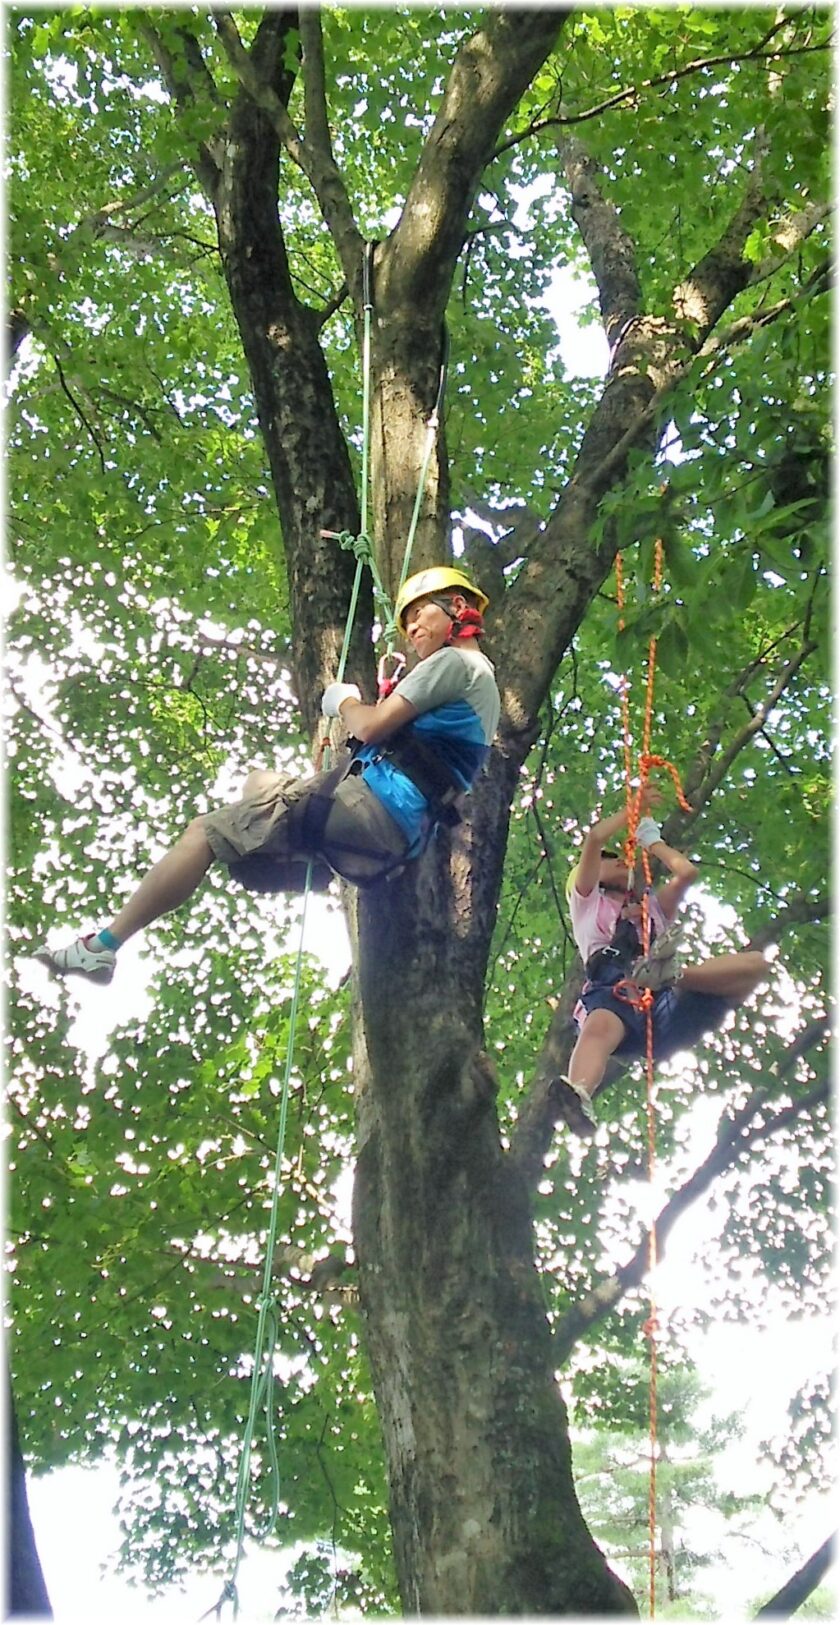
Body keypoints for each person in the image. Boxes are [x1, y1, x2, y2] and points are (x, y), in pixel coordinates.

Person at [35, 565, 501, 987]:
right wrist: (387, 694)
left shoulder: (455, 662)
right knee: (260, 784)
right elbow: (413, 748)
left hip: (370, 814)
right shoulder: (482, 689)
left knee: (205, 833)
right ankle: (301, 855)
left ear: (456, 607)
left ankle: (103, 947)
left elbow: (369, 725)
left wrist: (344, 699)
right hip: (390, 846)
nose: (413, 629)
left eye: (419, 615)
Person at [556, 786, 769, 1139]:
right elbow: (594, 840)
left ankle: (674, 975)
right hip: (615, 990)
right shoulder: (587, 906)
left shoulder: (651, 910)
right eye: (612, 860)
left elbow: (687, 874)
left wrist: (653, 842)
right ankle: (578, 1093)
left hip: (662, 1005)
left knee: (755, 965)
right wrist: (631, 811)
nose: (620, 860)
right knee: (600, 1027)